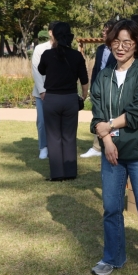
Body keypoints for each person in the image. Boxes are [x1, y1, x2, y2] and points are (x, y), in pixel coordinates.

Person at [89, 19, 138, 275]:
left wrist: (109, 125)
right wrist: (108, 141)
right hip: (112, 154)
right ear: (109, 43)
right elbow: (97, 115)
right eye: (116, 42)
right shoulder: (104, 76)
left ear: (136, 44)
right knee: (111, 208)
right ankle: (112, 256)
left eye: (127, 42)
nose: (120, 47)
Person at [38, 22, 89, 181]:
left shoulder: (47, 54)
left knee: (53, 137)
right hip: (70, 99)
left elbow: (41, 70)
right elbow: (84, 80)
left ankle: (57, 174)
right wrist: (84, 96)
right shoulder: (76, 56)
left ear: (54, 36)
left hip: (52, 98)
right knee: (69, 136)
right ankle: (70, 172)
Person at [82, 19, 117, 158]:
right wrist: (93, 87)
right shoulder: (100, 49)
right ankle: (96, 147)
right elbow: (96, 68)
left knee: (111, 118)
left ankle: (106, 145)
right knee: (98, 115)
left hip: (112, 89)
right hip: (99, 88)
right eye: (103, 30)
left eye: (106, 30)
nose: (103, 33)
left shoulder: (118, 50)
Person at [31, 21, 57, 160]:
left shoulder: (64, 48)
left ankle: (55, 146)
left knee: (57, 121)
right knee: (42, 121)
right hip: (42, 91)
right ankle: (43, 147)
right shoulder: (40, 48)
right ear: (50, 32)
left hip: (58, 91)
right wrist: (42, 90)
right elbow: (36, 70)